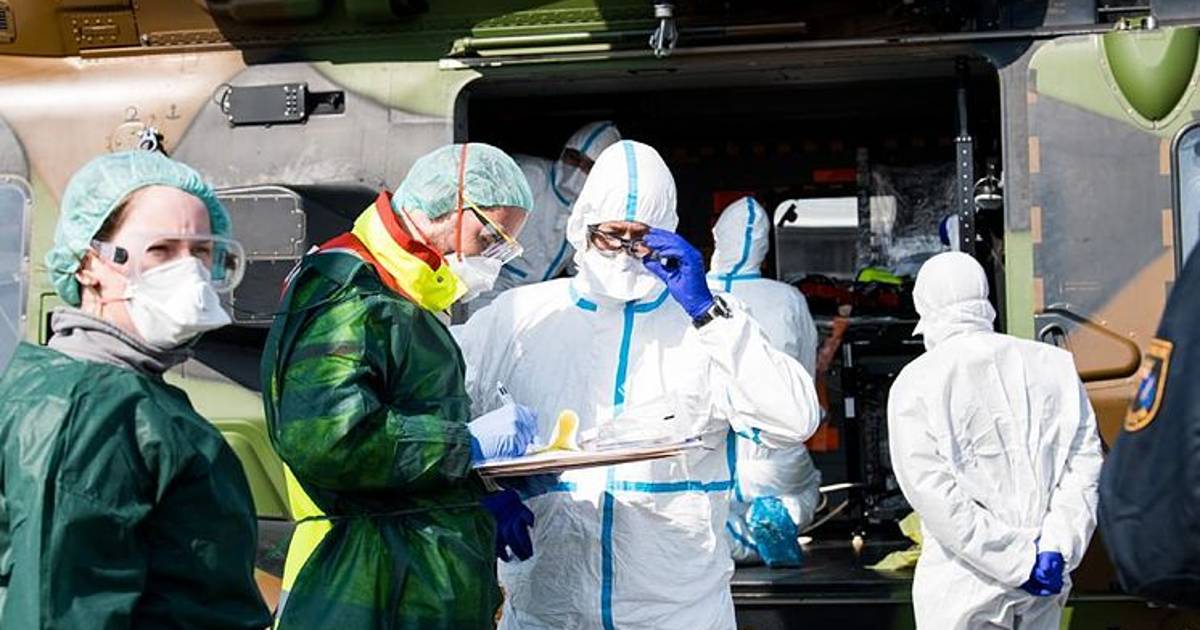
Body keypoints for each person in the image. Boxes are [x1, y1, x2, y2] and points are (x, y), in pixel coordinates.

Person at [453, 140, 821, 629]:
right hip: (549, 611)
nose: (627, 252)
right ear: (584, 227)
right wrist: (474, 495)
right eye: (612, 235)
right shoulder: (519, 317)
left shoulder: (708, 323)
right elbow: (436, 412)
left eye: (642, 238)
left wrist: (708, 313)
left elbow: (793, 420)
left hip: (678, 612)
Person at [261, 143, 540, 629]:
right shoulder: (350, 291)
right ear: (451, 206)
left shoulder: (400, 295)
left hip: (407, 581)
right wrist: (465, 446)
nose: (492, 259)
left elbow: (400, 443)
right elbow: (328, 439)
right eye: (490, 237)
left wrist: (473, 491)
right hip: (360, 585)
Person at [0, 150, 270, 628]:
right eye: (161, 251)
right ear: (89, 265)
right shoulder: (90, 411)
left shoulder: (118, 395)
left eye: (201, 253)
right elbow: (60, 608)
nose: (188, 272)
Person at [887, 251, 1103, 630]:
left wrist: (1015, 560)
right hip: (1044, 578)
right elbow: (1083, 466)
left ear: (925, 305)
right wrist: (1055, 547)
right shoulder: (1054, 365)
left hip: (964, 584)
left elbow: (935, 496)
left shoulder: (916, 382)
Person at [708, 195, 822, 566]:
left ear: (717, 237)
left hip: (709, 458)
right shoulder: (789, 299)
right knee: (807, 488)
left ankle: (733, 538)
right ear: (764, 248)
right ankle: (781, 515)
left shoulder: (688, 293)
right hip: (775, 457)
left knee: (697, 520)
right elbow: (803, 377)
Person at [464, 121, 621, 317]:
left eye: (588, 165)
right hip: (488, 285)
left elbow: (581, 266)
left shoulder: (592, 208)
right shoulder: (529, 176)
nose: (577, 168)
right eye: (573, 158)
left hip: (534, 298)